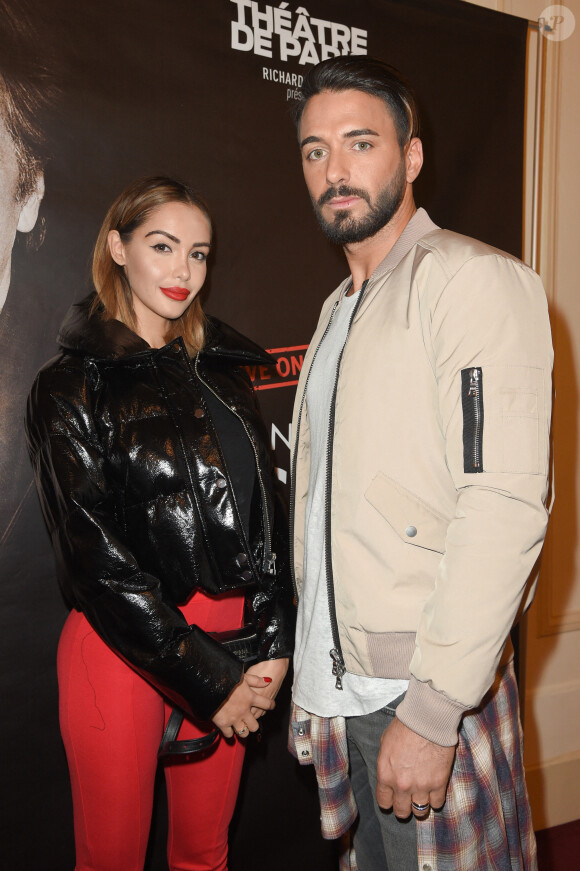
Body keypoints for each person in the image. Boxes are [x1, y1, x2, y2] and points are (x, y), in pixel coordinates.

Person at [288, 56, 552, 871]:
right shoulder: (336, 310)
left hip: (425, 693)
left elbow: (503, 505)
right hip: (343, 685)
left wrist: (434, 712)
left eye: (360, 143)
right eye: (313, 151)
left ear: (411, 157)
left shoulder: (472, 282)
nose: (334, 169)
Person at [26, 176, 295, 871]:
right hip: (122, 651)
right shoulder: (66, 387)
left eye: (198, 253)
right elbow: (96, 562)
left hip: (235, 643)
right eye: (162, 245)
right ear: (117, 247)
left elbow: (265, 516)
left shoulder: (227, 374)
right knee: (110, 859)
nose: (182, 271)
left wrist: (272, 634)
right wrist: (211, 680)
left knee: (205, 854)